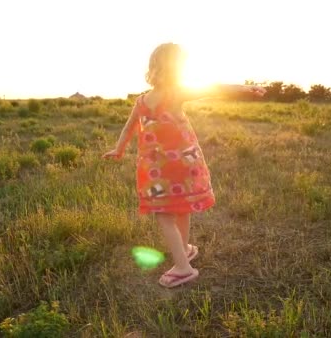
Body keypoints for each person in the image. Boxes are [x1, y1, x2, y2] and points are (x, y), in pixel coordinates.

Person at [103, 43, 265, 288]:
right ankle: (185, 249)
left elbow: (129, 127)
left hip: (156, 169)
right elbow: (216, 88)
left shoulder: (142, 101)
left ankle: (183, 268)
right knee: (182, 207)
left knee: (163, 214)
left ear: (153, 66)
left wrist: (119, 149)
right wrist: (246, 88)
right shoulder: (176, 93)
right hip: (183, 163)